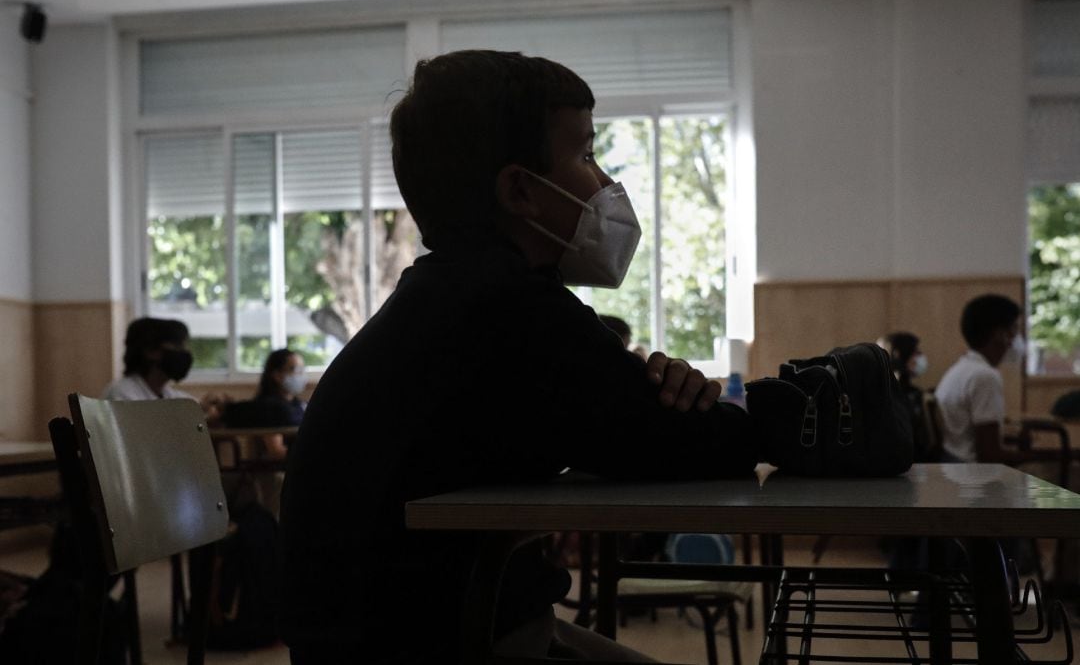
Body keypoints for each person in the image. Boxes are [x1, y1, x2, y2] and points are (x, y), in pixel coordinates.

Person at [279, 50, 761, 664]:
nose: (606, 181)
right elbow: (699, 439)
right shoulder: (508, 307)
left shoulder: (453, 293)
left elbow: (635, 424)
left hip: (413, 632)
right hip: (435, 646)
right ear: (520, 190)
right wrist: (781, 412)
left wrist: (664, 405)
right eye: (586, 154)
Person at [936, 294, 1026, 464]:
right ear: (999, 334)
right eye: (1014, 329)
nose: (1017, 339)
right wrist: (1047, 457)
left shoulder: (960, 369)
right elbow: (990, 456)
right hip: (973, 476)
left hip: (953, 465)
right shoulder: (985, 377)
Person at [101, 317, 194, 401]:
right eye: (178, 346)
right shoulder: (121, 393)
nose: (185, 352)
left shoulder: (169, 395)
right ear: (151, 351)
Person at [879, 331, 931, 461]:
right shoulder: (904, 395)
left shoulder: (914, 393)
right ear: (900, 355)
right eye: (916, 352)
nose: (920, 357)